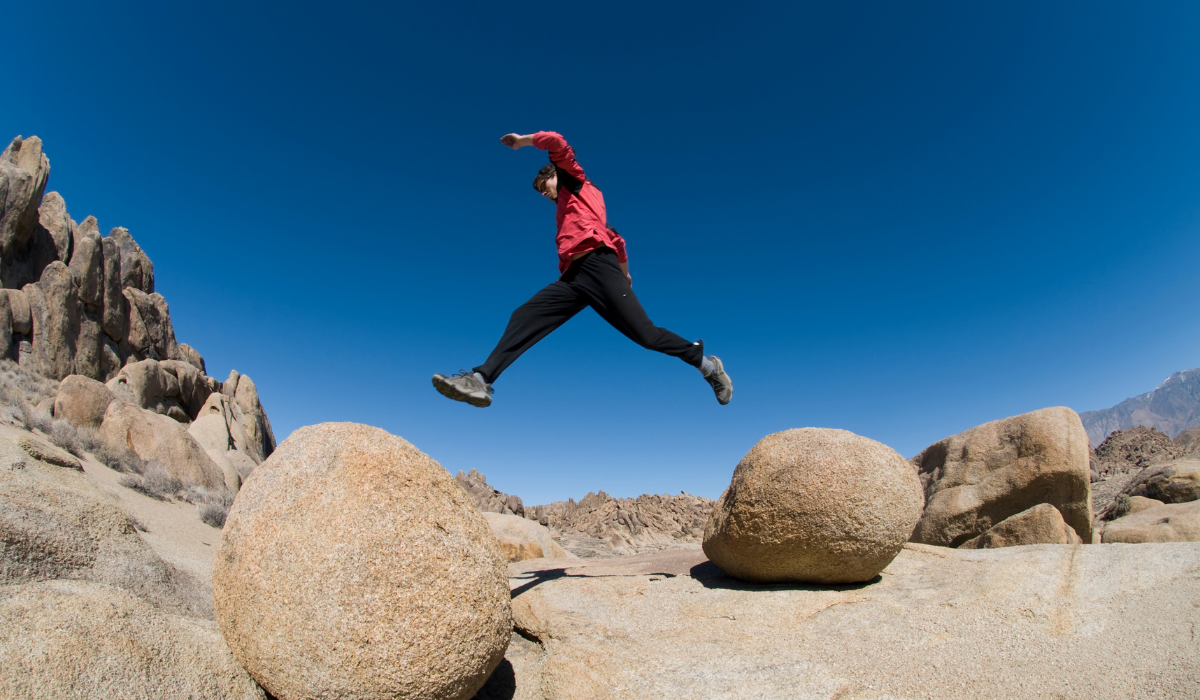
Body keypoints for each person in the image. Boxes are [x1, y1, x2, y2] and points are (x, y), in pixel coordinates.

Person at [432, 131, 732, 408]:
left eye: (543, 186)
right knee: (524, 315)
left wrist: (523, 141)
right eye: (539, 192)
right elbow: (618, 240)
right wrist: (626, 273)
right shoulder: (582, 208)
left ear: (555, 174)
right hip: (574, 278)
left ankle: (707, 366)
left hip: (597, 265)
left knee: (647, 335)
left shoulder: (573, 182)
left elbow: (557, 142)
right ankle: (480, 379)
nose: (543, 194)